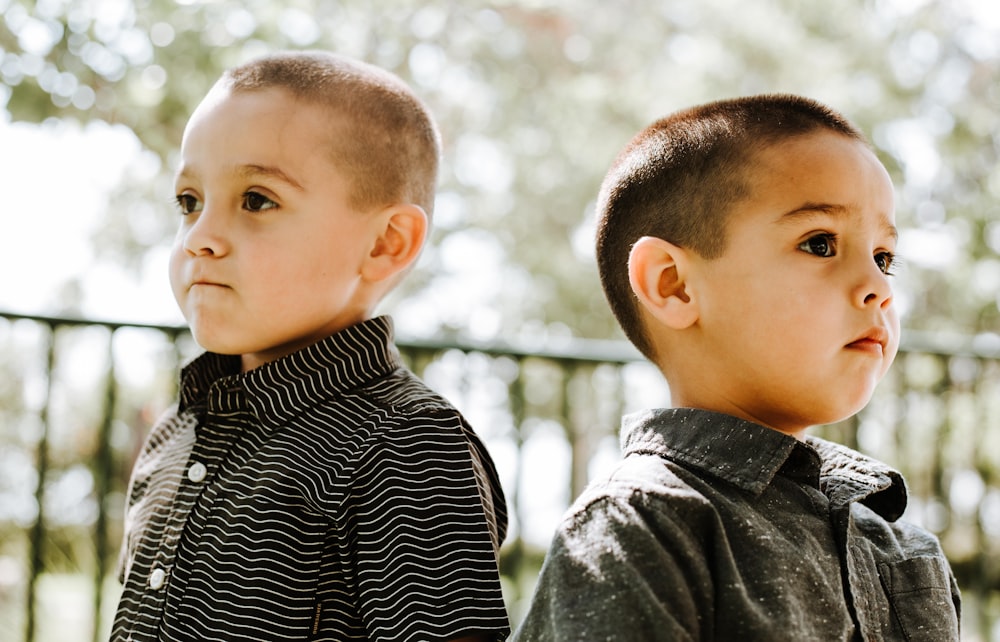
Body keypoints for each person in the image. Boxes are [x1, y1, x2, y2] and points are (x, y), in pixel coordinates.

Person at [512, 94, 961, 641]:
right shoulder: (640, 526)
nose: (879, 289)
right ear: (673, 284)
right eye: (820, 244)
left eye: (883, 258)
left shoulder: (906, 551)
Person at [111, 50, 510, 642]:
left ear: (386, 244)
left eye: (256, 200)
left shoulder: (406, 446)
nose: (200, 237)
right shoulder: (176, 431)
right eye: (189, 202)